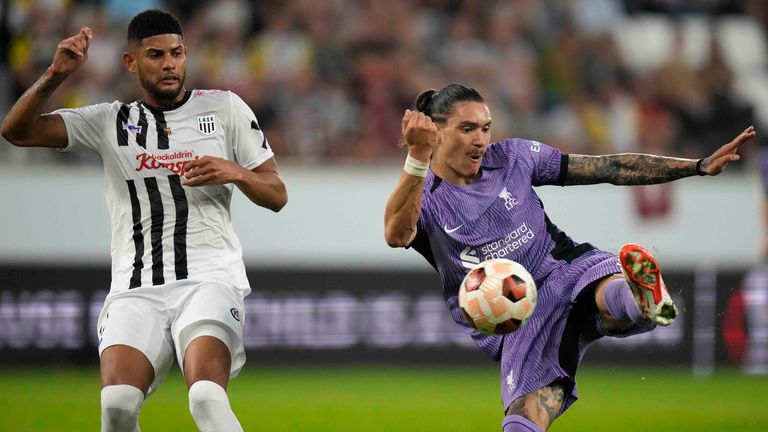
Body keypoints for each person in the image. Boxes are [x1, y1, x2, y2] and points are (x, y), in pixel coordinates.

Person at [384, 83, 753, 432]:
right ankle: (634, 300)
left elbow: (609, 167)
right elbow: (396, 234)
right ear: (436, 132)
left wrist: (697, 165)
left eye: (486, 127)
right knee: (521, 420)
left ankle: (638, 297)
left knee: (602, 292)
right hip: (520, 320)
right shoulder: (424, 192)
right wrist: (417, 156)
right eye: (467, 129)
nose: (481, 139)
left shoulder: (512, 157)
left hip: (563, 268)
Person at [1, 9, 287, 432]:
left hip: (209, 277)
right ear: (130, 63)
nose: (169, 63)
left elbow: (277, 194)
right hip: (135, 286)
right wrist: (55, 75)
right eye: (155, 55)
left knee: (207, 397)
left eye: (177, 53)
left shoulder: (224, 108)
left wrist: (236, 172)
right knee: (116, 406)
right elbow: (16, 131)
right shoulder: (109, 121)